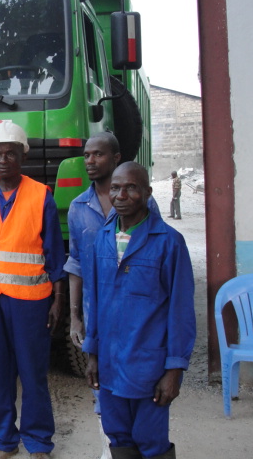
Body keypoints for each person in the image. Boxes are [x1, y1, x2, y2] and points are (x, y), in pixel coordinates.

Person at [0, 122, 66, 459]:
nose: (3, 159)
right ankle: (3, 441)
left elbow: (55, 252)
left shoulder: (40, 195)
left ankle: (38, 442)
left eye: (10, 153)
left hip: (31, 302)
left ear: (22, 157)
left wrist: (58, 300)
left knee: (33, 372)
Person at [83, 162, 196, 459]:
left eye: (131, 187)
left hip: (148, 368)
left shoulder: (169, 243)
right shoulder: (102, 240)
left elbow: (181, 312)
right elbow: (94, 301)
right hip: (108, 365)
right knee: (118, 436)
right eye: (116, 187)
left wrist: (174, 370)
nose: (121, 195)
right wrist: (92, 353)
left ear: (146, 193)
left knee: (150, 441)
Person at [65, 133, 160, 459]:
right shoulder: (78, 208)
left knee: (143, 387)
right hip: (98, 313)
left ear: (116, 157)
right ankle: (111, 451)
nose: (90, 161)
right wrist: (76, 315)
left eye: (98, 155)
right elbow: (75, 264)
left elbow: (158, 254)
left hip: (139, 315)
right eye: (86, 155)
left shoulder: (144, 204)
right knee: (102, 386)